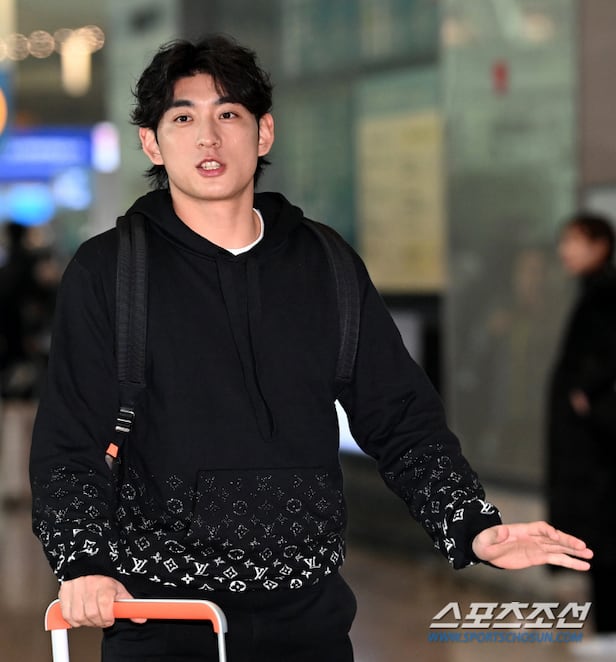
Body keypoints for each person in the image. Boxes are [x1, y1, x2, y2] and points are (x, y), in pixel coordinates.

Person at [30, 35, 592, 662]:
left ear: (264, 132)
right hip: (163, 616)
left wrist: (471, 524)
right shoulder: (110, 270)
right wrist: (82, 559)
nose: (208, 138)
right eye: (183, 118)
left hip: (311, 619)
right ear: (151, 143)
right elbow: (71, 438)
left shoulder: (325, 262)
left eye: (228, 114)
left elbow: (399, 416)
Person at [547, 211, 616, 655]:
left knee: (605, 531)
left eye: (575, 241)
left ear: (600, 246)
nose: (565, 250)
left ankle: (610, 631)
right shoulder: (593, 293)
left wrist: (584, 391)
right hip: (592, 445)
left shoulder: (605, 294)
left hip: (600, 445)